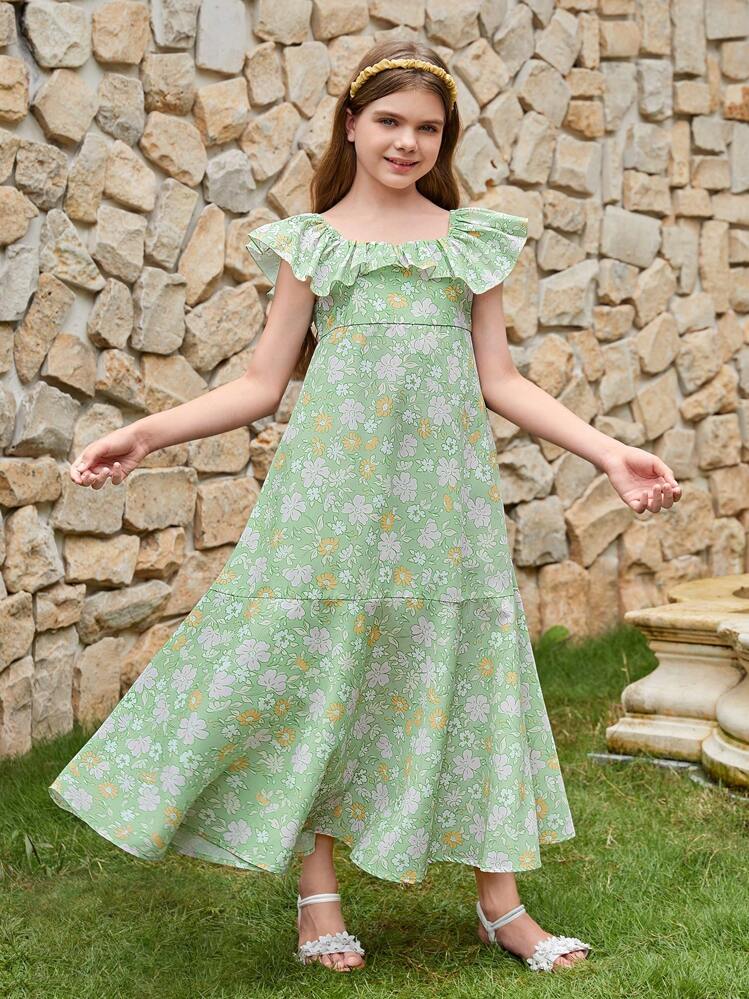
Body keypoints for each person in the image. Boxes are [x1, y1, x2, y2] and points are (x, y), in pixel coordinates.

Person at [49, 40, 682, 976]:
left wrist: (607, 451)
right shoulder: (315, 244)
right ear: (351, 124)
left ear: (444, 139)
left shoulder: (469, 241)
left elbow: (501, 379)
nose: (406, 141)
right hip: (331, 500)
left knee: (471, 671)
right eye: (389, 120)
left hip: (445, 502)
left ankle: (502, 904)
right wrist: (146, 433)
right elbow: (261, 383)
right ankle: (319, 898)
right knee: (315, 667)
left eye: (427, 127)